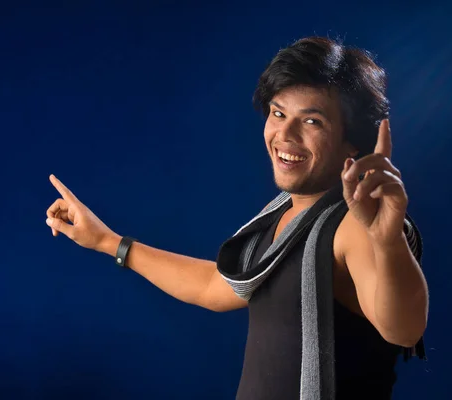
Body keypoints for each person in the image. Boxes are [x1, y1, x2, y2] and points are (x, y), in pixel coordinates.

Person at [45, 36, 428, 399]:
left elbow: (403, 330)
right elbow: (213, 286)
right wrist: (107, 241)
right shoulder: (286, 216)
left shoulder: (351, 226)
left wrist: (387, 241)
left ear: (353, 142)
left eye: (312, 122)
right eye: (278, 113)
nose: (285, 134)